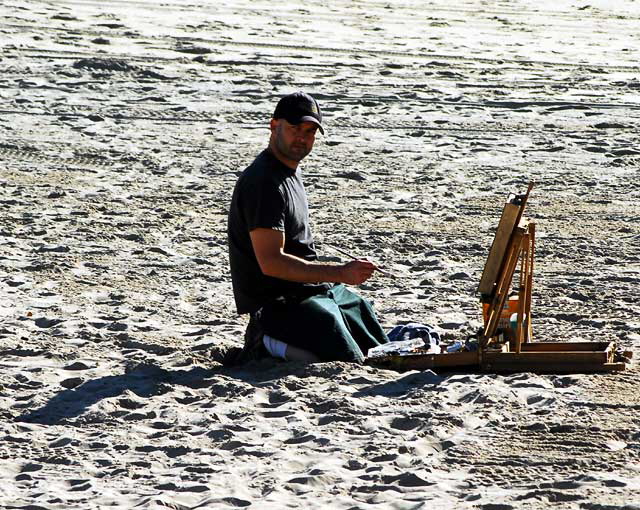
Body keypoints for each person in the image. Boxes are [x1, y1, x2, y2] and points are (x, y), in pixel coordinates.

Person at [226, 91, 389, 364]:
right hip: (275, 302)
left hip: (305, 288)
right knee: (334, 335)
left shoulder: (290, 170)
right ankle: (265, 343)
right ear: (274, 126)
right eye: (294, 128)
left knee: (358, 308)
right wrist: (340, 272)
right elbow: (271, 263)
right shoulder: (263, 182)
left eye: (310, 131)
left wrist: (338, 277)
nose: (302, 137)